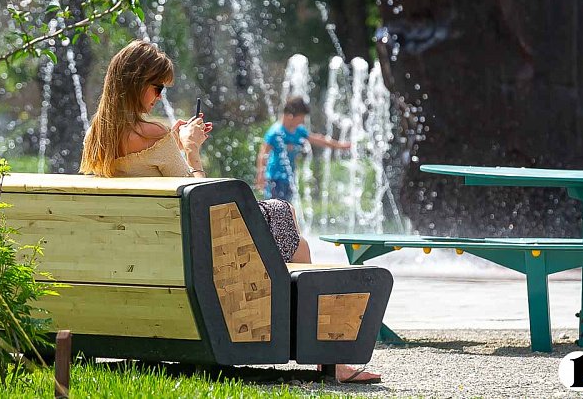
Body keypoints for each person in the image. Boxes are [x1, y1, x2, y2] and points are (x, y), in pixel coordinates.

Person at [80, 40, 381, 385]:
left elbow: (150, 173)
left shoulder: (96, 137)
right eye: (157, 87)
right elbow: (202, 202)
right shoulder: (153, 134)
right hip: (201, 258)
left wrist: (173, 146)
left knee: (281, 218)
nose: (160, 96)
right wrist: (190, 151)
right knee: (286, 222)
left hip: (142, 258)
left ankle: (324, 352)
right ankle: (332, 360)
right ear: (135, 83)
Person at [255, 96, 351, 201]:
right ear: (290, 116)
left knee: (287, 209)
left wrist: (339, 145)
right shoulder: (275, 132)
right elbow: (263, 153)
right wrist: (261, 174)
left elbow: (318, 139)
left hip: (289, 179)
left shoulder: (298, 130)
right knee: (275, 210)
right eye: (301, 118)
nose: (302, 122)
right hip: (274, 179)